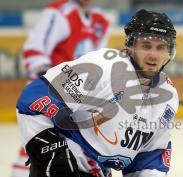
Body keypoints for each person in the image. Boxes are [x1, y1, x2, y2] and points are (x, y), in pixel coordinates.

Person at [16, 9, 178, 177]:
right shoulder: (102, 67)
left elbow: (149, 158)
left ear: (169, 53)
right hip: (63, 164)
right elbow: (34, 100)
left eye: (161, 48)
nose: (153, 54)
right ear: (131, 46)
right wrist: (49, 152)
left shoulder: (168, 96)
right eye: (146, 45)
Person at [11, 0, 109, 176]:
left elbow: (100, 63)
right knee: (40, 145)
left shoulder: (101, 20)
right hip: (51, 92)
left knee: (79, 149)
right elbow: (35, 50)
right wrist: (53, 83)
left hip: (80, 98)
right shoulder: (60, 12)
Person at [23, 0, 109, 80]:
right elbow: (35, 49)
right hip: (48, 86)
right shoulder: (58, 12)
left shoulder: (101, 20)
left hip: (76, 88)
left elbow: (97, 60)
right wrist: (47, 76)